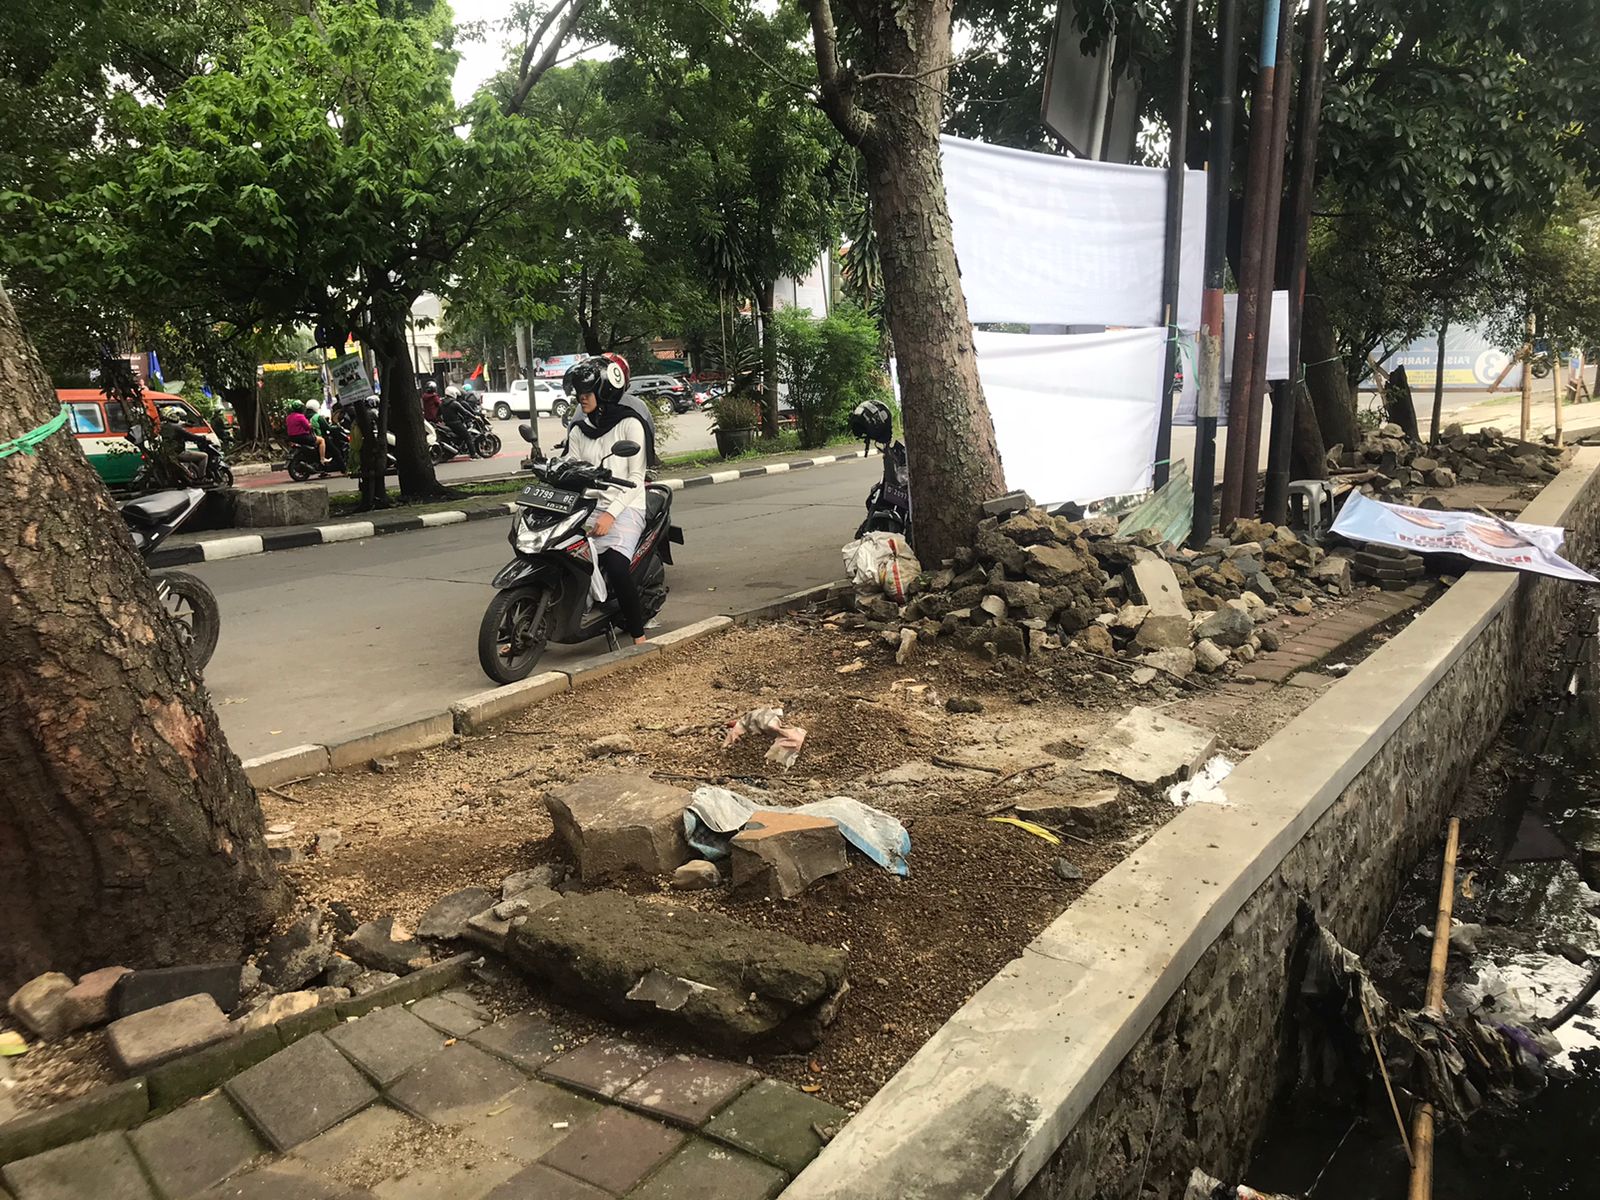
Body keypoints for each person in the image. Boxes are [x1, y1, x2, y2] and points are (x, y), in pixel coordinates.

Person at [562, 356, 650, 644]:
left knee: (615, 566)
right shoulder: (578, 429)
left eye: (586, 393)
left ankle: (638, 635)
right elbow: (569, 466)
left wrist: (611, 514)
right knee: (561, 556)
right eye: (578, 393)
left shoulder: (630, 425)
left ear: (605, 392)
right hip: (588, 505)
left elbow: (637, 478)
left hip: (626, 505)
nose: (581, 398)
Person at [159, 406, 212, 482]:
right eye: (176, 415)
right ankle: (202, 478)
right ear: (171, 415)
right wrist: (204, 438)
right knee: (204, 456)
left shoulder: (163, 427)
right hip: (178, 453)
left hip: (168, 453)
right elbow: (191, 436)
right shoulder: (176, 428)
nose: (178, 417)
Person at [284, 402, 328, 466]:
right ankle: (322, 459)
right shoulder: (301, 416)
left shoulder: (288, 417)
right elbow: (307, 427)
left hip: (292, 438)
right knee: (321, 440)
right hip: (303, 437)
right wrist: (310, 425)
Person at [440, 384, 475, 456]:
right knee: (468, 437)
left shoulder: (442, 403)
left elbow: (437, 414)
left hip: (447, 424)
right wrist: (474, 417)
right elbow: (465, 412)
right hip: (456, 423)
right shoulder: (454, 403)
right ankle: (473, 455)